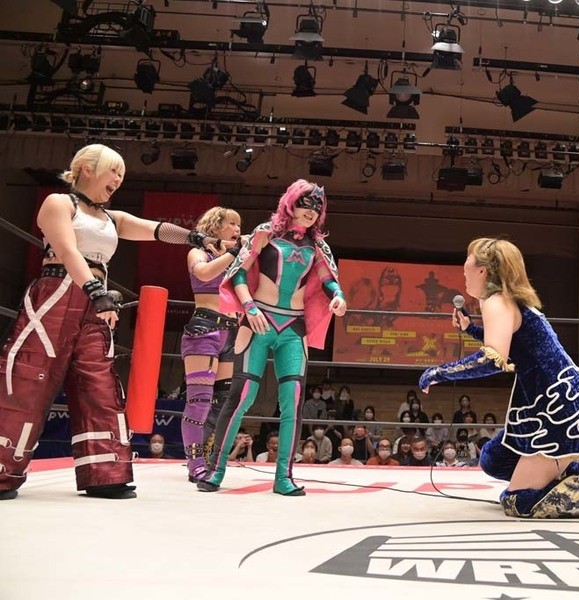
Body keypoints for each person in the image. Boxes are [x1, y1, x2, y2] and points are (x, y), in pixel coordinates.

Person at [0, 144, 229, 501]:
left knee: (99, 383)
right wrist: (94, 290)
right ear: (87, 169)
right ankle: (3, 469)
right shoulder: (60, 203)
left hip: (96, 302)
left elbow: (155, 229)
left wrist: (197, 238)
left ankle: (105, 473)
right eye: (113, 171)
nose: (119, 179)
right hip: (57, 294)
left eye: (122, 174)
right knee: (30, 377)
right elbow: (67, 250)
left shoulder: (112, 218)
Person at [419, 237, 579, 519]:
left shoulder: (497, 302)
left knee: (517, 502)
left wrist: (439, 372)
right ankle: (570, 474)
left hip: (560, 408)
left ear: (482, 270)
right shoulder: (506, 301)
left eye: (467, 261)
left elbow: (493, 359)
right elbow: (516, 345)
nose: (463, 268)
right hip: (550, 403)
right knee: (494, 459)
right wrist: (471, 329)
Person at [198, 179, 346, 496]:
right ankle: (215, 470)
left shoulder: (317, 246)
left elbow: (328, 279)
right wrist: (249, 306)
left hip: (293, 327)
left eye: (317, 206)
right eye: (306, 203)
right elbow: (238, 272)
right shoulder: (266, 233)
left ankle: (283, 477)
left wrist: (338, 295)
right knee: (241, 396)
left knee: (292, 400)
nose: (312, 211)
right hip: (258, 320)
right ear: (291, 203)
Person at [180, 206, 242, 483]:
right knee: (199, 402)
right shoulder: (198, 253)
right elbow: (204, 274)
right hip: (204, 329)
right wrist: (233, 253)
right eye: (232, 223)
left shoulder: (236, 257)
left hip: (231, 332)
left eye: (239, 225)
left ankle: (208, 459)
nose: (237, 229)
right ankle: (195, 465)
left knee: (224, 401)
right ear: (215, 226)